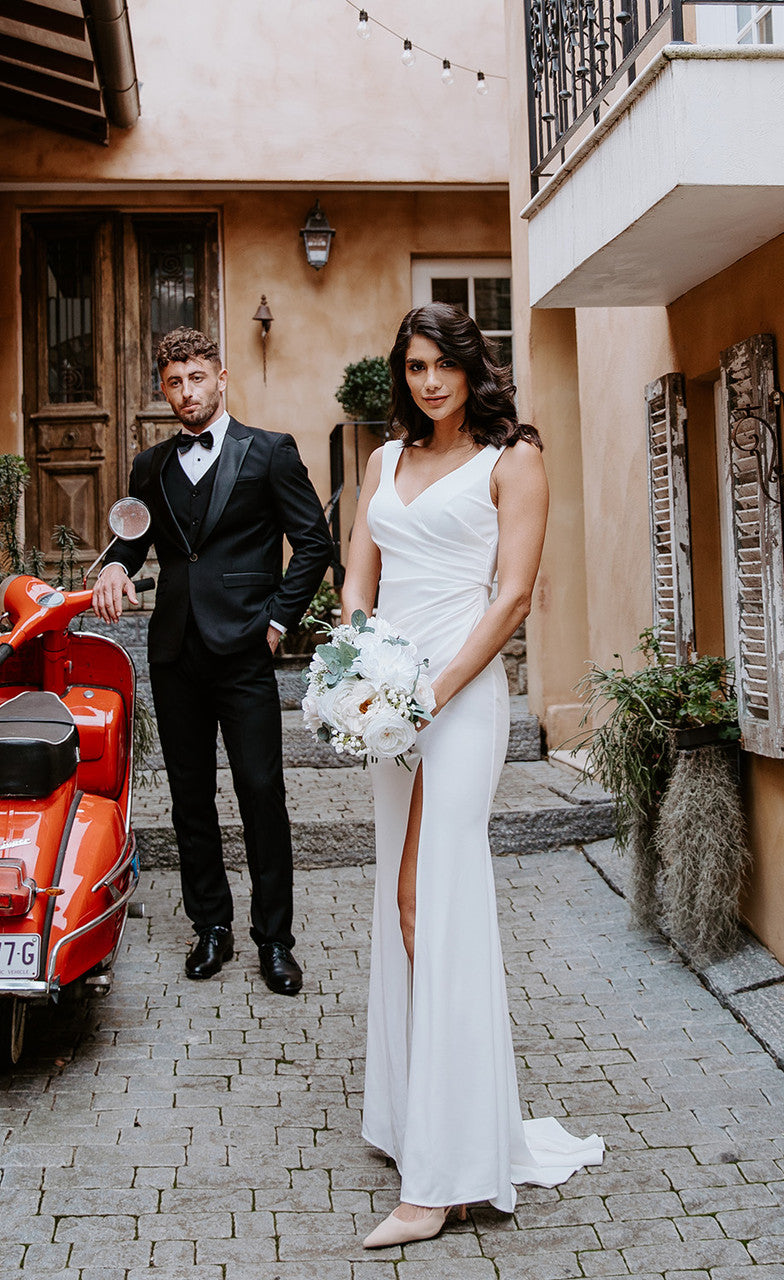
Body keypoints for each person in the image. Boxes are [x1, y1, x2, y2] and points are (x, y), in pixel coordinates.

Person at [341, 302, 604, 1248]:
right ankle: (417, 1119)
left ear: (470, 367)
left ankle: (446, 1179)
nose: (428, 382)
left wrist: (432, 691)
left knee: (434, 900)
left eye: (443, 364)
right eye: (413, 367)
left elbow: (513, 597)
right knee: (400, 899)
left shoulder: (512, 458)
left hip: (459, 695)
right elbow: (358, 580)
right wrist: (360, 665)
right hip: (391, 699)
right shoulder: (383, 460)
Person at [92, 327, 332, 995]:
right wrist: (113, 567)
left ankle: (274, 941)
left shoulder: (270, 452)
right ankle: (211, 927)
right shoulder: (149, 466)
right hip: (175, 653)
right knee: (190, 798)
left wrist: (277, 622)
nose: (186, 392)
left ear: (220, 378)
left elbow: (313, 542)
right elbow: (130, 543)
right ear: (163, 389)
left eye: (197, 378)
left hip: (245, 651)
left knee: (261, 793)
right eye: (174, 382)